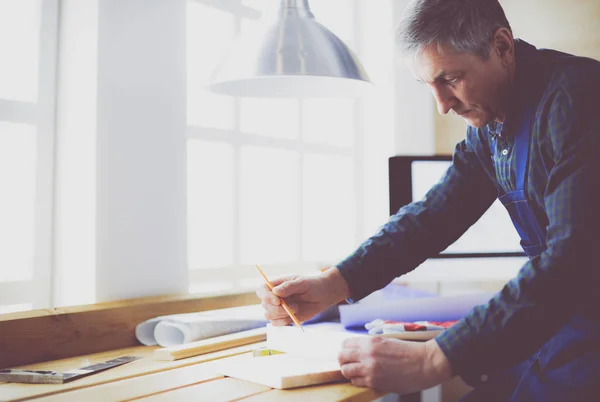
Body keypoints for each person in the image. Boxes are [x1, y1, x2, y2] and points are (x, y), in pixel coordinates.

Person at [256, 0, 600, 399]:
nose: (442, 104)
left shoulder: (578, 98)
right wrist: (333, 283)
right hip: (561, 327)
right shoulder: (489, 127)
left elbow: (572, 260)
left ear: (502, 47)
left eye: (451, 78)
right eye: (429, 85)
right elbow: (432, 217)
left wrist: (433, 360)